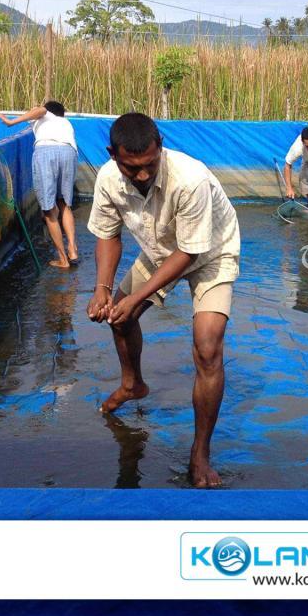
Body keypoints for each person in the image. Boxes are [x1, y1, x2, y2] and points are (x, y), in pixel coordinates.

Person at [86, 112, 240, 489]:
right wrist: (102, 288)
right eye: (131, 168)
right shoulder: (108, 178)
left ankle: (200, 453)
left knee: (208, 347)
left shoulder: (191, 179)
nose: (141, 175)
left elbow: (189, 253)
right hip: (160, 249)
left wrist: (137, 295)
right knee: (118, 315)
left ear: (160, 148)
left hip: (211, 253)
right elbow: (108, 234)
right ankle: (132, 383)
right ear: (113, 154)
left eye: (149, 165)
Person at [0, 101, 78, 268]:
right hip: (69, 152)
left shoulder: (46, 114)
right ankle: (72, 248)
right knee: (64, 203)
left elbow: (40, 110)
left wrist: (10, 122)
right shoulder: (66, 123)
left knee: (48, 209)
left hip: (46, 152)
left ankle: (63, 259)